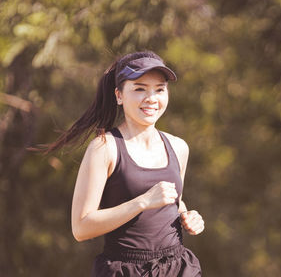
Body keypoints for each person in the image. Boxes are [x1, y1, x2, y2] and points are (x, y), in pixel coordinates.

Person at [43, 51, 204, 276]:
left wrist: (187, 215)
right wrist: (143, 201)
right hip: (126, 270)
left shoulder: (179, 147)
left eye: (159, 89)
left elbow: (172, 201)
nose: (151, 98)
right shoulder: (105, 148)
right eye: (139, 89)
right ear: (119, 95)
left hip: (177, 268)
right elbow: (81, 228)